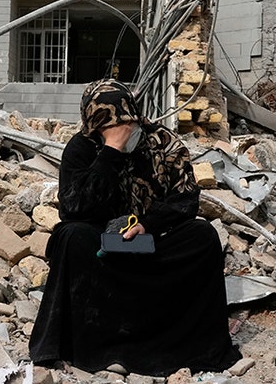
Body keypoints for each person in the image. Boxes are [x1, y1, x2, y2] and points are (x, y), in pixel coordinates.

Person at [29, 79, 240, 376]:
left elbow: (186, 200)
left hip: (152, 247)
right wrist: (111, 152)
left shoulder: (163, 143)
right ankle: (91, 346)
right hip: (105, 254)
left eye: (124, 125)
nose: (119, 132)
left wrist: (148, 225)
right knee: (70, 236)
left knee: (203, 236)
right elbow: (73, 208)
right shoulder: (80, 149)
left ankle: (188, 346)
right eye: (106, 128)